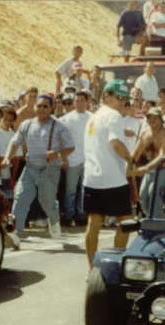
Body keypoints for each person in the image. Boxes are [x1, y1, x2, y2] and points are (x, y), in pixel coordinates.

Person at [2, 95, 74, 239]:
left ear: (52, 108)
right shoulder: (26, 124)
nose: (41, 109)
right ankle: (16, 233)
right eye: (39, 106)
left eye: (45, 106)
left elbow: (70, 147)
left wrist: (58, 154)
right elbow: (14, 142)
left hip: (49, 169)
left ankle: (54, 222)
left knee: (47, 201)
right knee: (20, 198)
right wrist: (7, 157)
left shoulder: (59, 126)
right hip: (30, 168)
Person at [81, 80, 134, 267]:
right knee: (126, 222)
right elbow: (116, 143)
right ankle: (116, 265)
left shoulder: (93, 117)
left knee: (94, 223)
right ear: (106, 96)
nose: (121, 102)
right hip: (113, 178)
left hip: (92, 178)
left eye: (124, 98)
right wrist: (130, 159)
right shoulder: (114, 116)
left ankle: (91, 269)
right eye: (118, 97)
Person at [132, 108, 165, 219]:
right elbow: (136, 153)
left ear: (161, 120)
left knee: (154, 189)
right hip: (153, 168)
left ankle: (157, 221)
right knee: (143, 194)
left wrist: (144, 168)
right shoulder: (145, 134)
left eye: (155, 117)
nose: (152, 120)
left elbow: (162, 157)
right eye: (150, 118)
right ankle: (150, 218)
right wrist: (129, 166)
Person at [59, 91, 92, 226]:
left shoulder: (92, 118)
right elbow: (61, 140)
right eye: (76, 101)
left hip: (88, 159)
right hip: (72, 160)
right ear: (74, 103)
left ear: (87, 102)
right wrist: (64, 158)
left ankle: (81, 215)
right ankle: (68, 215)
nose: (79, 103)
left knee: (84, 189)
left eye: (82, 100)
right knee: (70, 190)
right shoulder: (66, 119)